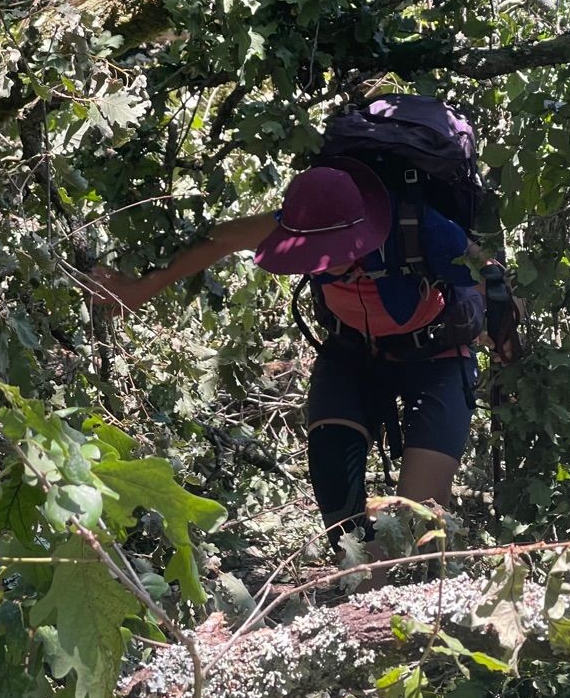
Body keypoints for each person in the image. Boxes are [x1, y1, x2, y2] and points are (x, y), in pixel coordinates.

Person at [90, 156, 491, 556]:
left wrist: (501, 324)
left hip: (436, 354)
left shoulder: (422, 229)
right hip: (352, 352)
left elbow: (492, 273)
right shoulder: (299, 223)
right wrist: (142, 287)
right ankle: (362, 585)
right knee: (335, 485)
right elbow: (220, 239)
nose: (315, 259)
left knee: (419, 518)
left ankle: (393, 592)